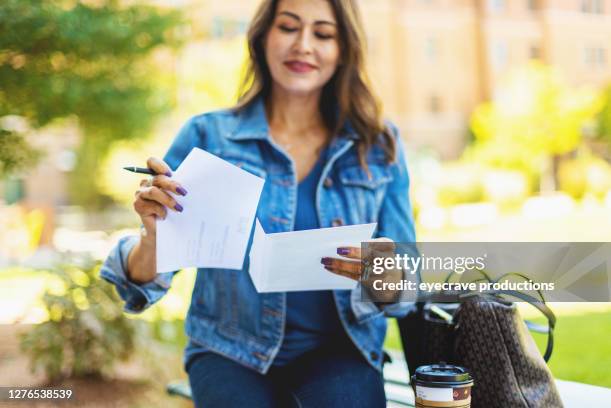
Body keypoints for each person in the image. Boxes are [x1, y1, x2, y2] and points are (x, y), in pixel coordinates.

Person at [100, 0, 416, 406]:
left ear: (343, 51)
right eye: (288, 27)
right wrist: (154, 236)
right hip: (228, 349)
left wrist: (383, 274)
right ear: (263, 36)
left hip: (341, 350)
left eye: (322, 34)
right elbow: (139, 284)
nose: (303, 45)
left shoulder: (377, 144)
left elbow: (409, 277)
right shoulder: (208, 136)